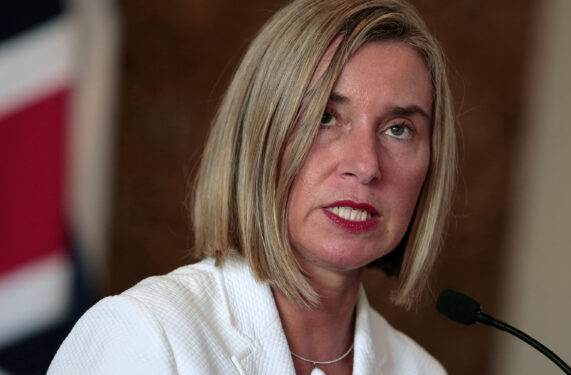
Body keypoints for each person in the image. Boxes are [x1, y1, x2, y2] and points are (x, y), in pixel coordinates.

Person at [48, 0, 456, 373]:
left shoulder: (421, 370)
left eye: (399, 129)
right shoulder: (145, 336)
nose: (366, 165)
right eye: (324, 118)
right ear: (259, 135)